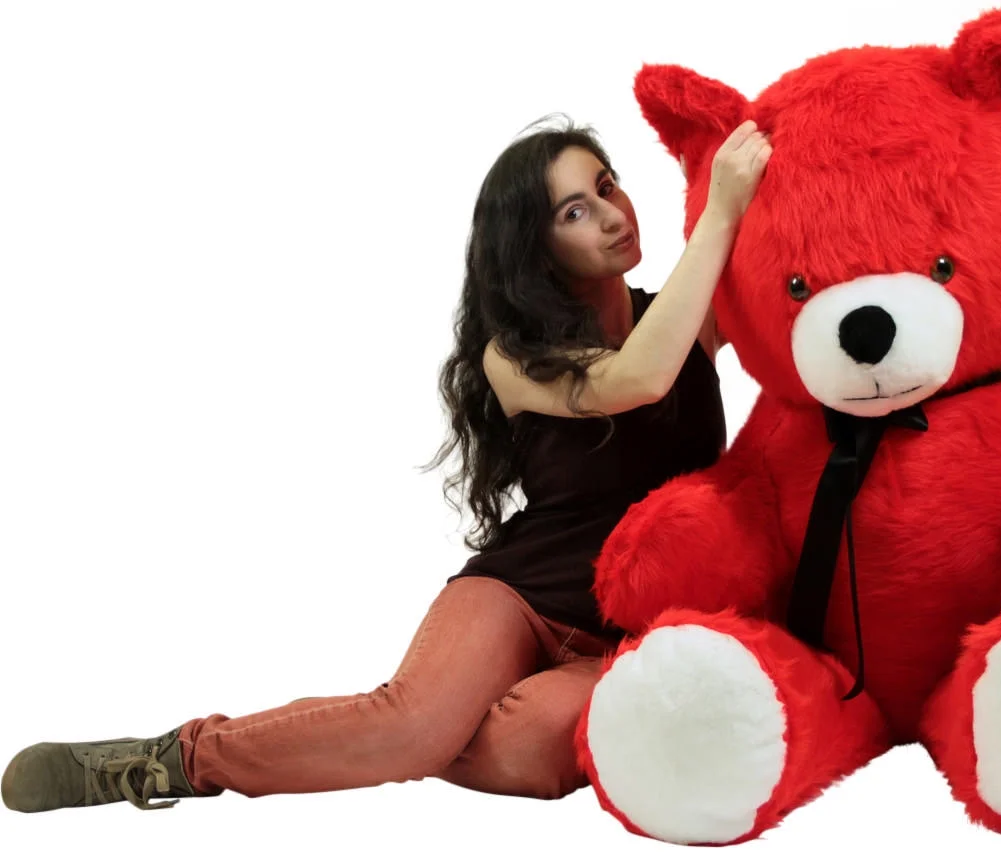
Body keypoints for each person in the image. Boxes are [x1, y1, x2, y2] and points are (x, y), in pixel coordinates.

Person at [1, 114, 772, 813]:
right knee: (412, 722)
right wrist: (719, 213)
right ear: (535, 250)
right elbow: (637, 377)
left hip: (630, 630)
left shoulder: (687, 315)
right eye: (574, 211)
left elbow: (789, 280)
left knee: (527, 754)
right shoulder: (511, 357)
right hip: (521, 593)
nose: (611, 215)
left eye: (607, 186)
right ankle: (176, 758)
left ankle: (401, 738)